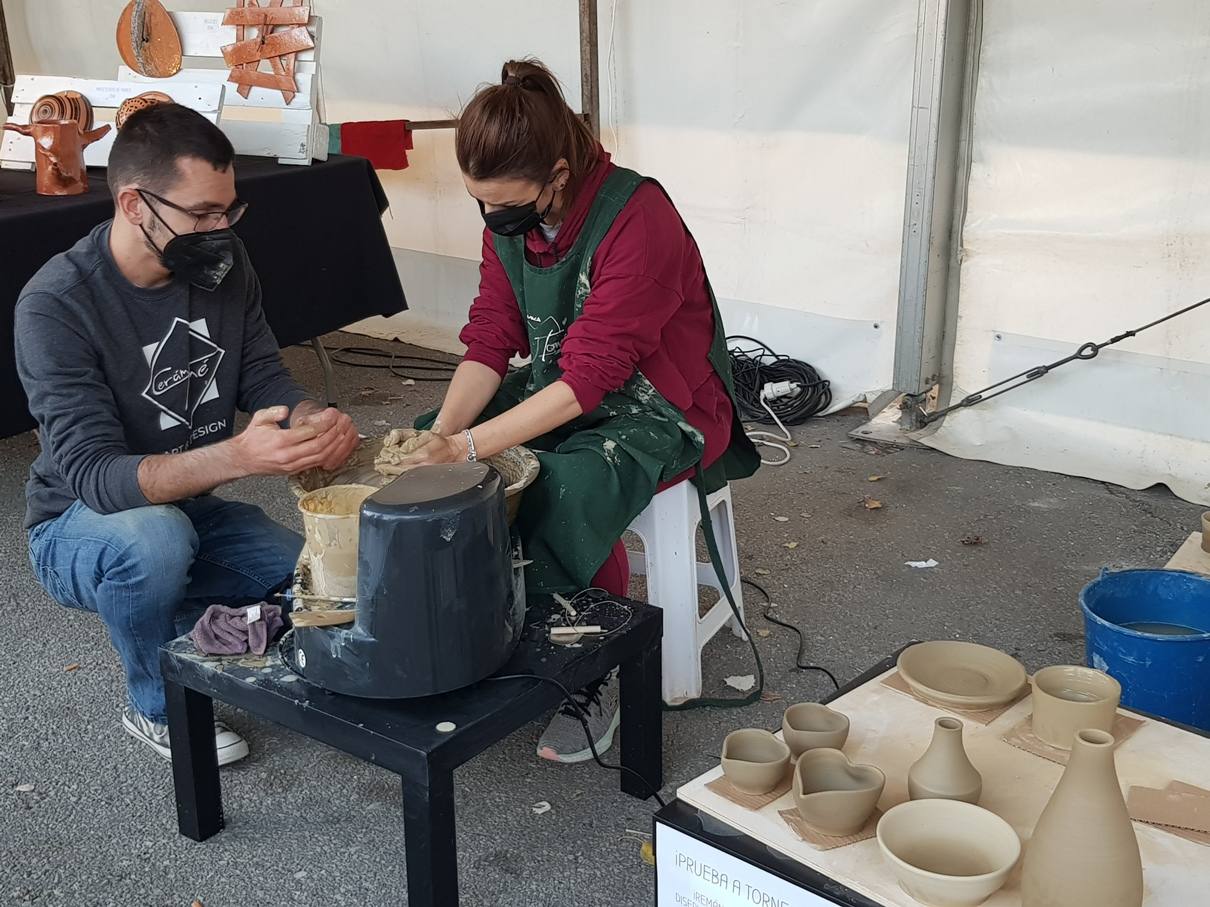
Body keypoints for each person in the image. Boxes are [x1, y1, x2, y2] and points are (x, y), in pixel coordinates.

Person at [399, 60, 760, 763]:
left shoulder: (638, 217)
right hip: (563, 380)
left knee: (562, 483)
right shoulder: (512, 217)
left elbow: (593, 378)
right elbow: (491, 338)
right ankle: (491, 625)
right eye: (481, 204)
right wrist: (445, 436)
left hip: (666, 403)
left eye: (503, 205)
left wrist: (473, 448)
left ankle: (592, 669)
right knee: (423, 447)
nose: (492, 219)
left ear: (558, 174)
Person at [16, 104, 359, 765]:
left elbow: (264, 376)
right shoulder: (55, 305)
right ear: (134, 204)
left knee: (320, 591)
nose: (221, 230)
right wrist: (237, 455)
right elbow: (95, 476)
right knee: (154, 540)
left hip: (193, 508)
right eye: (202, 213)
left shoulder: (222, 262)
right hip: (80, 523)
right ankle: (156, 702)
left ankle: (178, 629)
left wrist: (310, 419)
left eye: (229, 210)